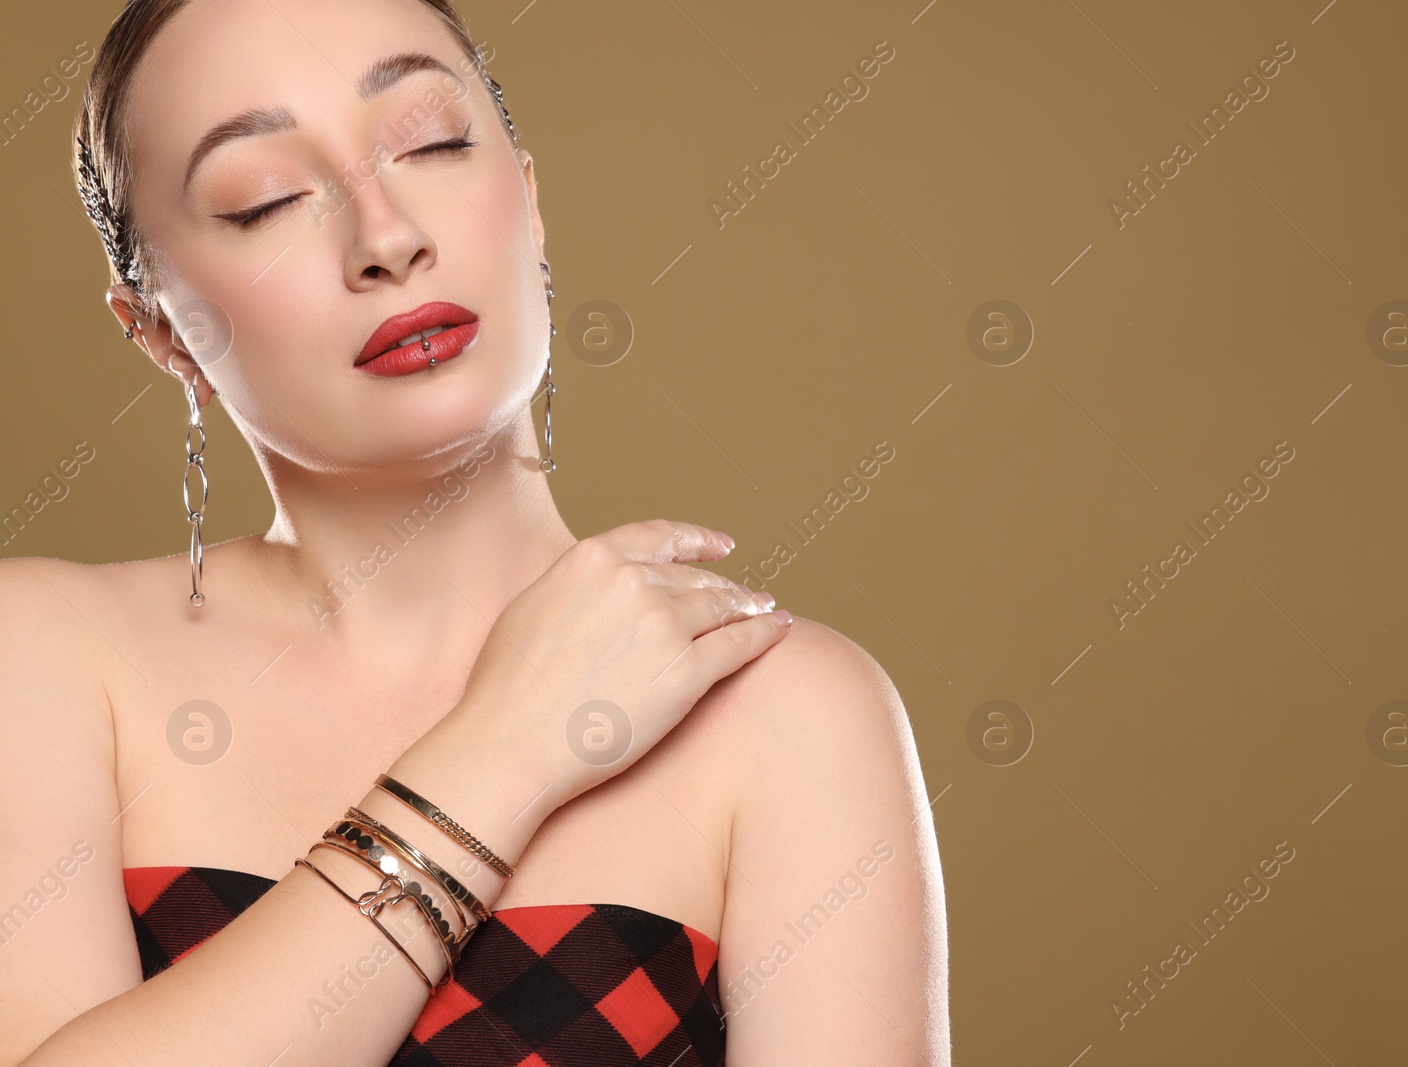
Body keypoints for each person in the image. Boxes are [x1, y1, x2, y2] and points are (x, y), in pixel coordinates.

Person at [0, 1, 951, 1064]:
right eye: (265, 198)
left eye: (432, 141)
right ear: (161, 329)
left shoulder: (784, 712)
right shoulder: (41, 658)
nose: (388, 237)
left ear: (531, 202)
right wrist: (507, 743)